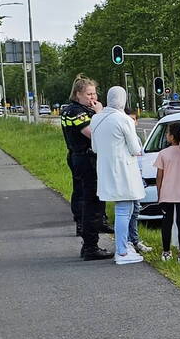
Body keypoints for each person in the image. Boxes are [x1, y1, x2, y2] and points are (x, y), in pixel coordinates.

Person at [90, 86, 145, 265]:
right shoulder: (124, 119)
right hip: (124, 170)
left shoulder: (96, 118)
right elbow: (135, 149)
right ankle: (122, 250)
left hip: (105, 169)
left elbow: (95, 147)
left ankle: (124, 246)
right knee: (124, 209)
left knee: (123, 208)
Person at [60, 75, 113, 260]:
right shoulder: (76, 112)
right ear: (78, 94)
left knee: (90, 199)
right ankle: (90, 246)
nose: (93, 97)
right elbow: (94, 134)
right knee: (92, 201)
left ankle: (91, 237)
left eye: (94, 93)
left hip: (82, 157)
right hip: (85, 158)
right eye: (89, 94)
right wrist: (99, 114)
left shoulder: (77, 109)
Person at [153, 122, 180, 262]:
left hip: (167, 194)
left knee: (166, 223)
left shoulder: (163, 153)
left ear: (171, 137)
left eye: (167, 133)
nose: (166, 135)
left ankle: (166, 252)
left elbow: (159, 176)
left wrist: (159, 193)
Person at [124, 106, 153, 255]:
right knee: (129, 210)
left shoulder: (137, 138)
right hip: (128, 177)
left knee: (136, 209)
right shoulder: (125, 138)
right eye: (129, 119)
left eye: (134, 120)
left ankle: (133, 240)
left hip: (137, 177)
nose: (132, 122)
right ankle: (129, 241)